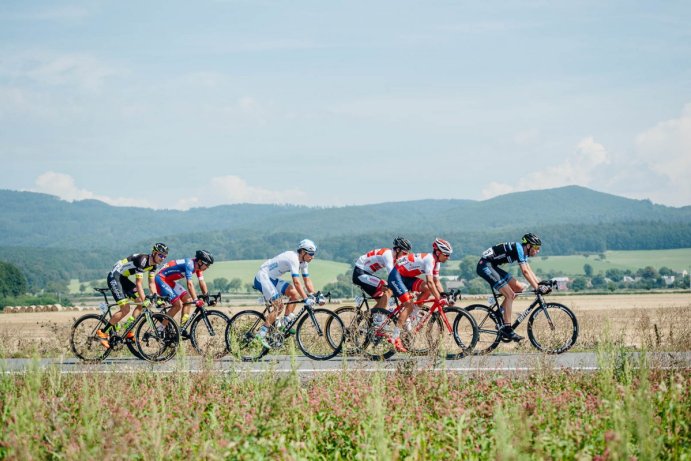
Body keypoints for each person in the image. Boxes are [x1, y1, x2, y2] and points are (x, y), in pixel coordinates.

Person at [476, 232, 549, 341]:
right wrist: (537, 288)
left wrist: (538, 284)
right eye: (536, 247)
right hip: (485, 266)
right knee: (510, 295)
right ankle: (507, 328)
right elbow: (524, 271)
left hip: (492, 266)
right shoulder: (519, 248)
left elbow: (528, 269)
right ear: (528, 246)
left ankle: (499, 312)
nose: (538, 251)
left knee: (519, 288)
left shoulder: (523, 252)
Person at [252, 239, 325, 347]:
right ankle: (261, 334)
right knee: (279, 306)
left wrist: (314, 294)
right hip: (263, 277)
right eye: (310, 254)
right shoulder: (293, 259)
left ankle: (285, 322)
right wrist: (306, 299)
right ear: (303, 252)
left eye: (313, 254)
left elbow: (307, 280)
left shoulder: (303, 262)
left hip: (272, 278)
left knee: (294, 294)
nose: (312, 257)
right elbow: (296, 282)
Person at [386, 238, 454, 352]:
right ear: (438, 252)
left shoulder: (437, 263)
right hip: (396, 276)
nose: (448, 257)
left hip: (407, 277)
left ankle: (413, 315)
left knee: (427, 289)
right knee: (408, 304)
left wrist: (443, 296)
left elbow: (436, 282)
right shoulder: (430, 260)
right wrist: (439, 299)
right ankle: (395, 337)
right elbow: (430, 281)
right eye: (446, 255)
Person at [97, 243, 169, 348]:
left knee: (140, 303)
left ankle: (129, 329)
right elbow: (139, 283)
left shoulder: (154, 265)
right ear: (154, 253)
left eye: (164, 256)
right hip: (115, 276)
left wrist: (156, 297)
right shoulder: (143, 260)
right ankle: (103, 332)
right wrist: (145, 299)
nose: (162, 258)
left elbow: (151, 283)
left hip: (123, 279)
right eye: (160, 255)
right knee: (126, 308)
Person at [154, 250, 214, 333]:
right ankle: (160, 329)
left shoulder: (198, 268)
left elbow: (201, 282)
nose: (207, 267)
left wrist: (206, 295)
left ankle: (181, 328)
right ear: (200, 262)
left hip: (169, 281)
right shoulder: (189, 264)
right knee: (177, 305)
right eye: (207, 265)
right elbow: (189, 284)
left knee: (188, 300)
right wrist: (196, 300)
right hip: (161, 279)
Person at [353, 237, 412, 309]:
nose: (405, 256)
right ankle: (379, 317)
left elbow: (401, 273)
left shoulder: (395, 258)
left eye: (407, 254)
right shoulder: (388, 255)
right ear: (398, 250)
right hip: (360, 273)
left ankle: (370, 317)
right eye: (404, 253)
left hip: (366, 274)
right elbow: (392, 275)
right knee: (387, 288)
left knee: (382, 300)